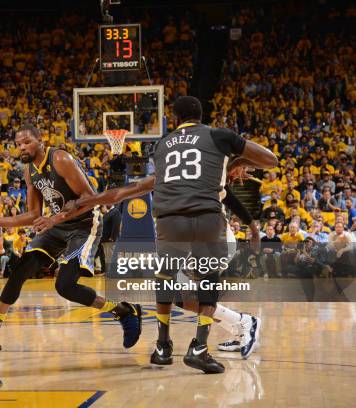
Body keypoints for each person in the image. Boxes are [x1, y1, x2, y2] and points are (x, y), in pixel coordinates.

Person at [62, 96, 277, 372]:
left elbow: (131, 189)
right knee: (189, 293)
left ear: (174, 119)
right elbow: (269, 160)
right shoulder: (216, 141)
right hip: (207, 222)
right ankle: (221, 333)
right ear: (201, 116)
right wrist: (238, 160)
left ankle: (166, 344)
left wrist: (83, 202)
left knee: (172, 287)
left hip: (172, 222)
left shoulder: (162, 147)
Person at [0, 125, 142, 355]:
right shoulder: (29, 171)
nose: (22, 147)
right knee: (20, 270)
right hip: (56, 225)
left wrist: (55, 219)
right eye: (18, 144)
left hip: (85, 224)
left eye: (27, 141)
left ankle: (124, 310)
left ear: (41, 140)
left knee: (65, 286)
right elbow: (34, 215)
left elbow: (90, 198)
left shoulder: (60, 158)